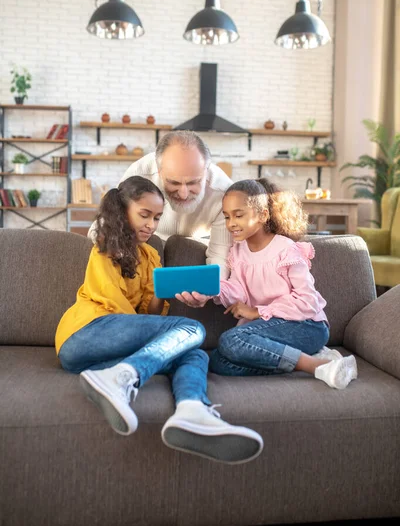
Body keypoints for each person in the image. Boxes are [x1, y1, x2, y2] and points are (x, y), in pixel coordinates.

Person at [57, 175, 263, 464]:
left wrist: (165, 294)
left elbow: (148, 316)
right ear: (122, 211)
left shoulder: (152, 255)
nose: (151, 225)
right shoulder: (104, 248)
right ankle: (122, 377)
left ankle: (193, 411)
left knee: (194, 355)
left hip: (101, 356)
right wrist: (154, 331)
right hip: (85, 333)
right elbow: (112, 304)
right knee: (191, 328)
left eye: (156, 218)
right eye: (144, 215)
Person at [177, 178, 358, 390]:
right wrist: (210, 290)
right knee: (218, 361)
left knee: (231, 340)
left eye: (238, 215)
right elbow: (238, 290)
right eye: (226, 216)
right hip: (269, 333)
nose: (231, 223)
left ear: (262, 215)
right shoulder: (237, 252)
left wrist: (257, 312)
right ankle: (301, 359)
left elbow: (308, 301)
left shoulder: (286, 250)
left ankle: (318, 366)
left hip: (307, 326)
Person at [88, 131, 232, 278]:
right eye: (173, 182)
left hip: (196, 250)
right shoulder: (140, 173)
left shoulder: (224, 192)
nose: (183, 194)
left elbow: (220, 256)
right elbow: (105, 225)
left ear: (206, 171)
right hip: (147, 244)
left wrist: (210, 289)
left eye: (193, 182)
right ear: (159, 171)